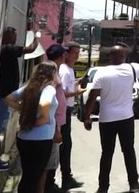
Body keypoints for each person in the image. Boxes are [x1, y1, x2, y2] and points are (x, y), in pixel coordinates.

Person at [83, 43, 139, 193]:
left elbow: (92, 97)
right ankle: (134, 184)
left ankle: (103, 188)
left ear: (110, 56)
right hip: (126, 118)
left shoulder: (101, 73)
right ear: (124, 56)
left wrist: (87, 117)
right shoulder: (132, 68)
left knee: (107, 153)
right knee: (128, 151)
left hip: (106, 119)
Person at [6, 61, 60, 193]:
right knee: (35, 177)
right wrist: (43, 118)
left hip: (24, 138)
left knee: (28, 176)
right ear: (52, 73)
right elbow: (44, 104)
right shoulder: (49, 89)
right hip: (41, 140)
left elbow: (10, 98)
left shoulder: (30, 87)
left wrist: (22, 109)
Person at [0, 26, 39, 171]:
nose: (15, 38)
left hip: (4, 95)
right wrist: (37, 35)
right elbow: (31, 49)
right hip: (3, 97)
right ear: (7, 36)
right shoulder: (7, 49)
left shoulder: (5, 50)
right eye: (14, 35)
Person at [43, 44, 72, 193]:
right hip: (53, 121)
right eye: (64, 54)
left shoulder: (54, 70)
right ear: (61, 56)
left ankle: (49, 184)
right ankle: (48, 185)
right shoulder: (52, 72)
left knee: (54, 154)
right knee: (52, 156)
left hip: (55, 120)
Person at [56, 42, 84, 190]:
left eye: (78, 53)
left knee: (67, 146)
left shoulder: (70, 70)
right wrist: (78, 92)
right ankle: (63, 178)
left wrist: (77, 84)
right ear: (66, 54)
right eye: (75, 53)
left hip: (67, 110)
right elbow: (63, 93)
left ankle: (67, 177)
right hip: (63, 110)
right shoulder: (65, 70)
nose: (77, 56)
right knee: (64, 146)